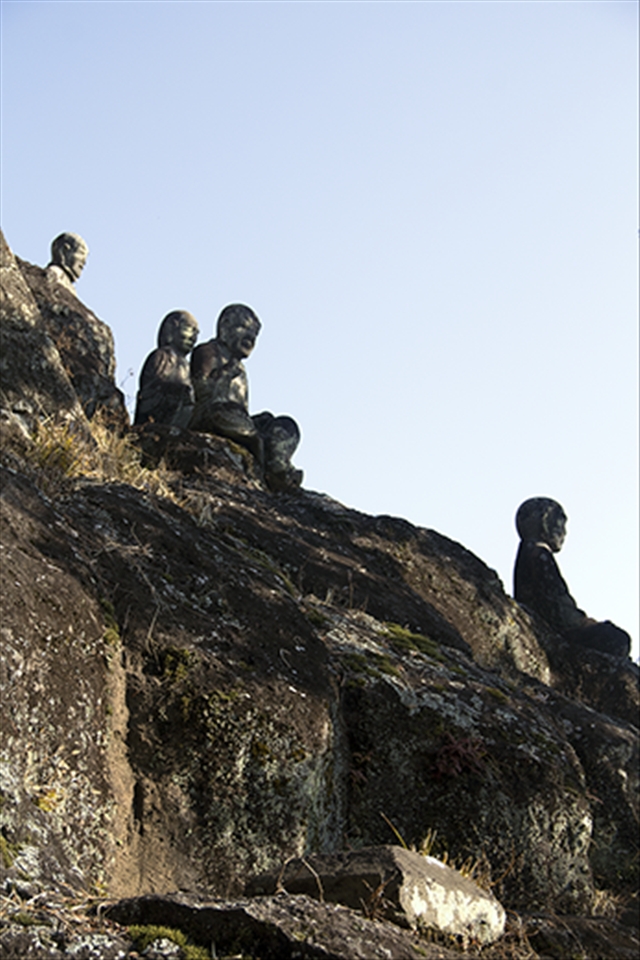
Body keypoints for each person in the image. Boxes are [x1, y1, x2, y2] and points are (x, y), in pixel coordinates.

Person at [190, 303, 302, 491]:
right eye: (244, 329)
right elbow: (202, 392)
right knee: (230, 413)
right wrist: (225, 374)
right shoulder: (208, 351)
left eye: (255, 335)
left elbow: (242, 408)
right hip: (213, 415)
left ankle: (277, 464)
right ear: (225, 326)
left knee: (285, 424)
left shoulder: (241, 368)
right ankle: (265, 455)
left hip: (237, 420)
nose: (251, 338)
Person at [513, 497, 630, 659]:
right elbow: (556, 602)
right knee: (616, 638)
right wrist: (582, 622)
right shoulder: (537, 553)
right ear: (545, 521)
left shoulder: (530, 551)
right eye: (560, 523)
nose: (564, 532)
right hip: (554, 630)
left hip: (549, 625)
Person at [135, 311, 199, 429]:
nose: (194, 337)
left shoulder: (187, 365)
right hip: (160, 406)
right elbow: (153, 386)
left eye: (197, 333)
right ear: (173, 327)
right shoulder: (162, 355)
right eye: (190, 329)